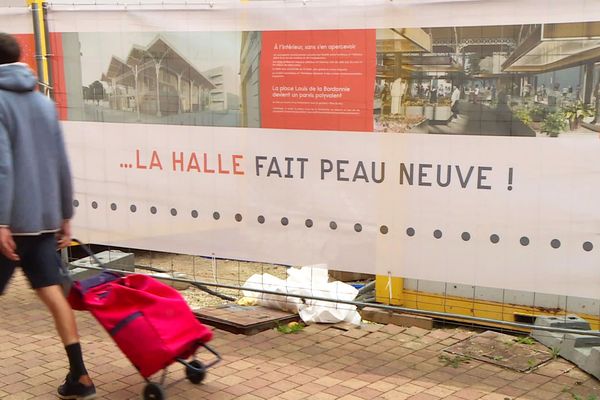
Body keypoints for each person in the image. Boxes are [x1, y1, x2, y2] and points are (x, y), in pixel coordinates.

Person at [0, 33, 95, 399]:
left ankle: (81, 377)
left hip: (11, 223)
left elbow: (2, 167)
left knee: (48, 289)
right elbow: (61, 160)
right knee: (51, 291)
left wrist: (2, 221)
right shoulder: (42, 102)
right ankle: (80, 376)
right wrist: (65, 213)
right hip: (43, 219)